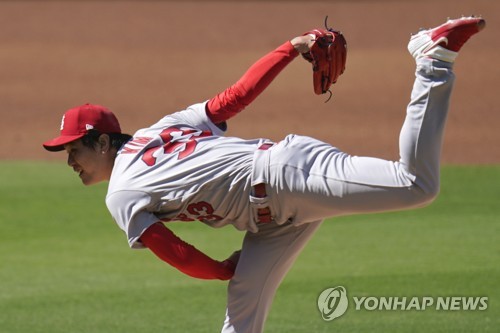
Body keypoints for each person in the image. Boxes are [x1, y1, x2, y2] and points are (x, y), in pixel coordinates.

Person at [43, 16, 485, 333]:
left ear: (103, 141)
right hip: (271, 219)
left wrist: (222, 269)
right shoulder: (163, 127)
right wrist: (290, 48)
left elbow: (175, 253)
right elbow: (233, 98)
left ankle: (432, 59)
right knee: (241, 319)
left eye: (74, 149)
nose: (70, 161)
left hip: (285, 176)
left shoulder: (121, 191)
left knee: (415, 185)